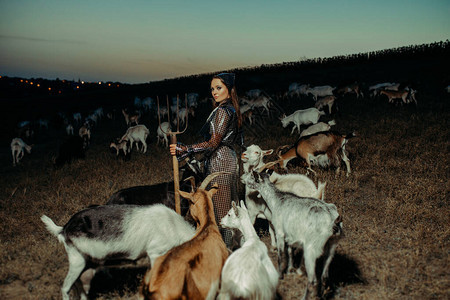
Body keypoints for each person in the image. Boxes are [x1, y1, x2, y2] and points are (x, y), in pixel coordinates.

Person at [170, 72, 243, 248]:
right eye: (212, 89)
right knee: (223, 210)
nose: (214, 92)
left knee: (221, 214)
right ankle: (226, 249)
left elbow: (213, 142)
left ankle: (224, 252)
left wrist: (186, 149)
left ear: (229, 89)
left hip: (221, 162)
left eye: (219, 87)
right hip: (226, 159)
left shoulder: (224, 111)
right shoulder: (230, 109)